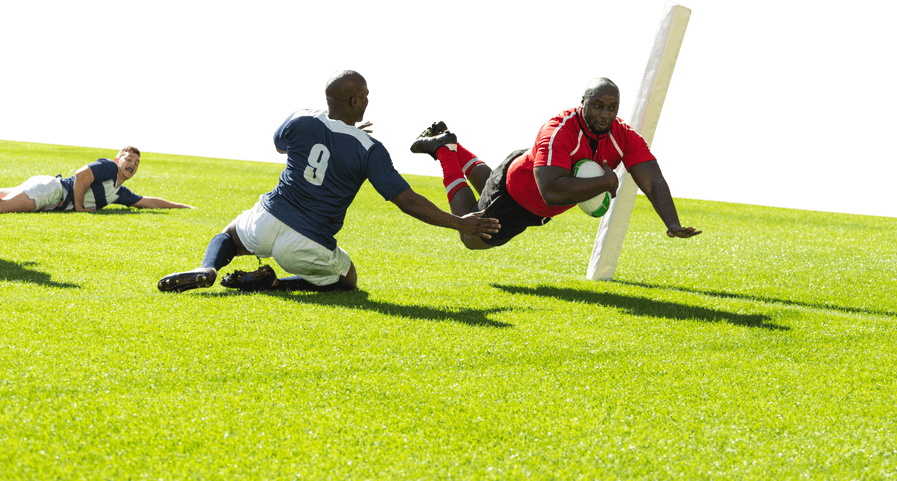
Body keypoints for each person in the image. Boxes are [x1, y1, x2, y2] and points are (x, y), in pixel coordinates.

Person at [157, 69, 500, 293]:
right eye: (365, 95)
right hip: (306, 242)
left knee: (229, 235)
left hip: (267, 218)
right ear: (354, 101)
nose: (367, 99)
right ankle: (277, 284)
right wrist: (459, 223)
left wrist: (339, 136)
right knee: (347, 280)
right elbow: (406, 200)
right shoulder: (371, 150)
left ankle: (208, 270)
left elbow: (281, 145)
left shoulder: (300, 118)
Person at [408, 77, 700, 250]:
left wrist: (672, 223)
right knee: (470, 234)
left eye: (612, 108)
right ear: (582, 101)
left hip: (526, 182)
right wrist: (606, 182)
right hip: (516, 194)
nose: (605, 115)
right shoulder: (560, 129)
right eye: (598, 106)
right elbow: (551, 190)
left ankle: (452, 144)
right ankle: (445, 150)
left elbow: (653, 179)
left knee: (489, 182)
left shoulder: (622, 134)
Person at [0, 146, 193, 212]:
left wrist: (181, 206)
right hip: (50, 191)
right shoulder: (110, 167)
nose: (132, 164)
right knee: (3, 207)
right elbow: (82, 174)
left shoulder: (118, 192)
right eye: (128, 159)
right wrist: (79, 206)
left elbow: (147, 202)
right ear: (118, 160)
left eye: (136, 163)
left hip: (47, 193)